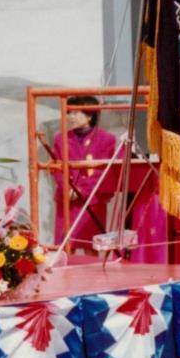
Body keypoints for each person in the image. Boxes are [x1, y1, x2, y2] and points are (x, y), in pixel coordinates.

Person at [48, 95, 118, 254]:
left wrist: (81, 190)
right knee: (66, 247)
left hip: (91, 199)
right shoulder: (60, 139)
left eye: (75, 113)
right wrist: (67, 189)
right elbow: (56, 168)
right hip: (67, 200)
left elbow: (103, 172)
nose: (70, 117)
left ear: (89, 115)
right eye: (69, 113)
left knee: (91, 246)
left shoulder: (106, 139)